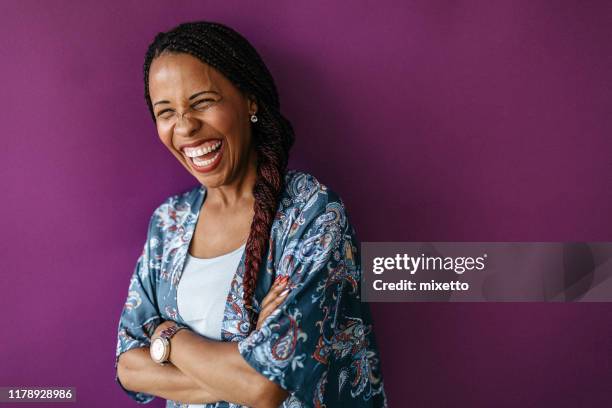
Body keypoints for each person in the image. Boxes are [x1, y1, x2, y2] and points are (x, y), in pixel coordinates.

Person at [114, 21, 388, 408]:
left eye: (202, 102)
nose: (186, 126)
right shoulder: (168, 223)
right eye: (166, 111)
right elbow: (129, 366)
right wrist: (241, 362)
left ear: (249, 101)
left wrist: (167, 337)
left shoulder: (311, 213)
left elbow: (264, 387)